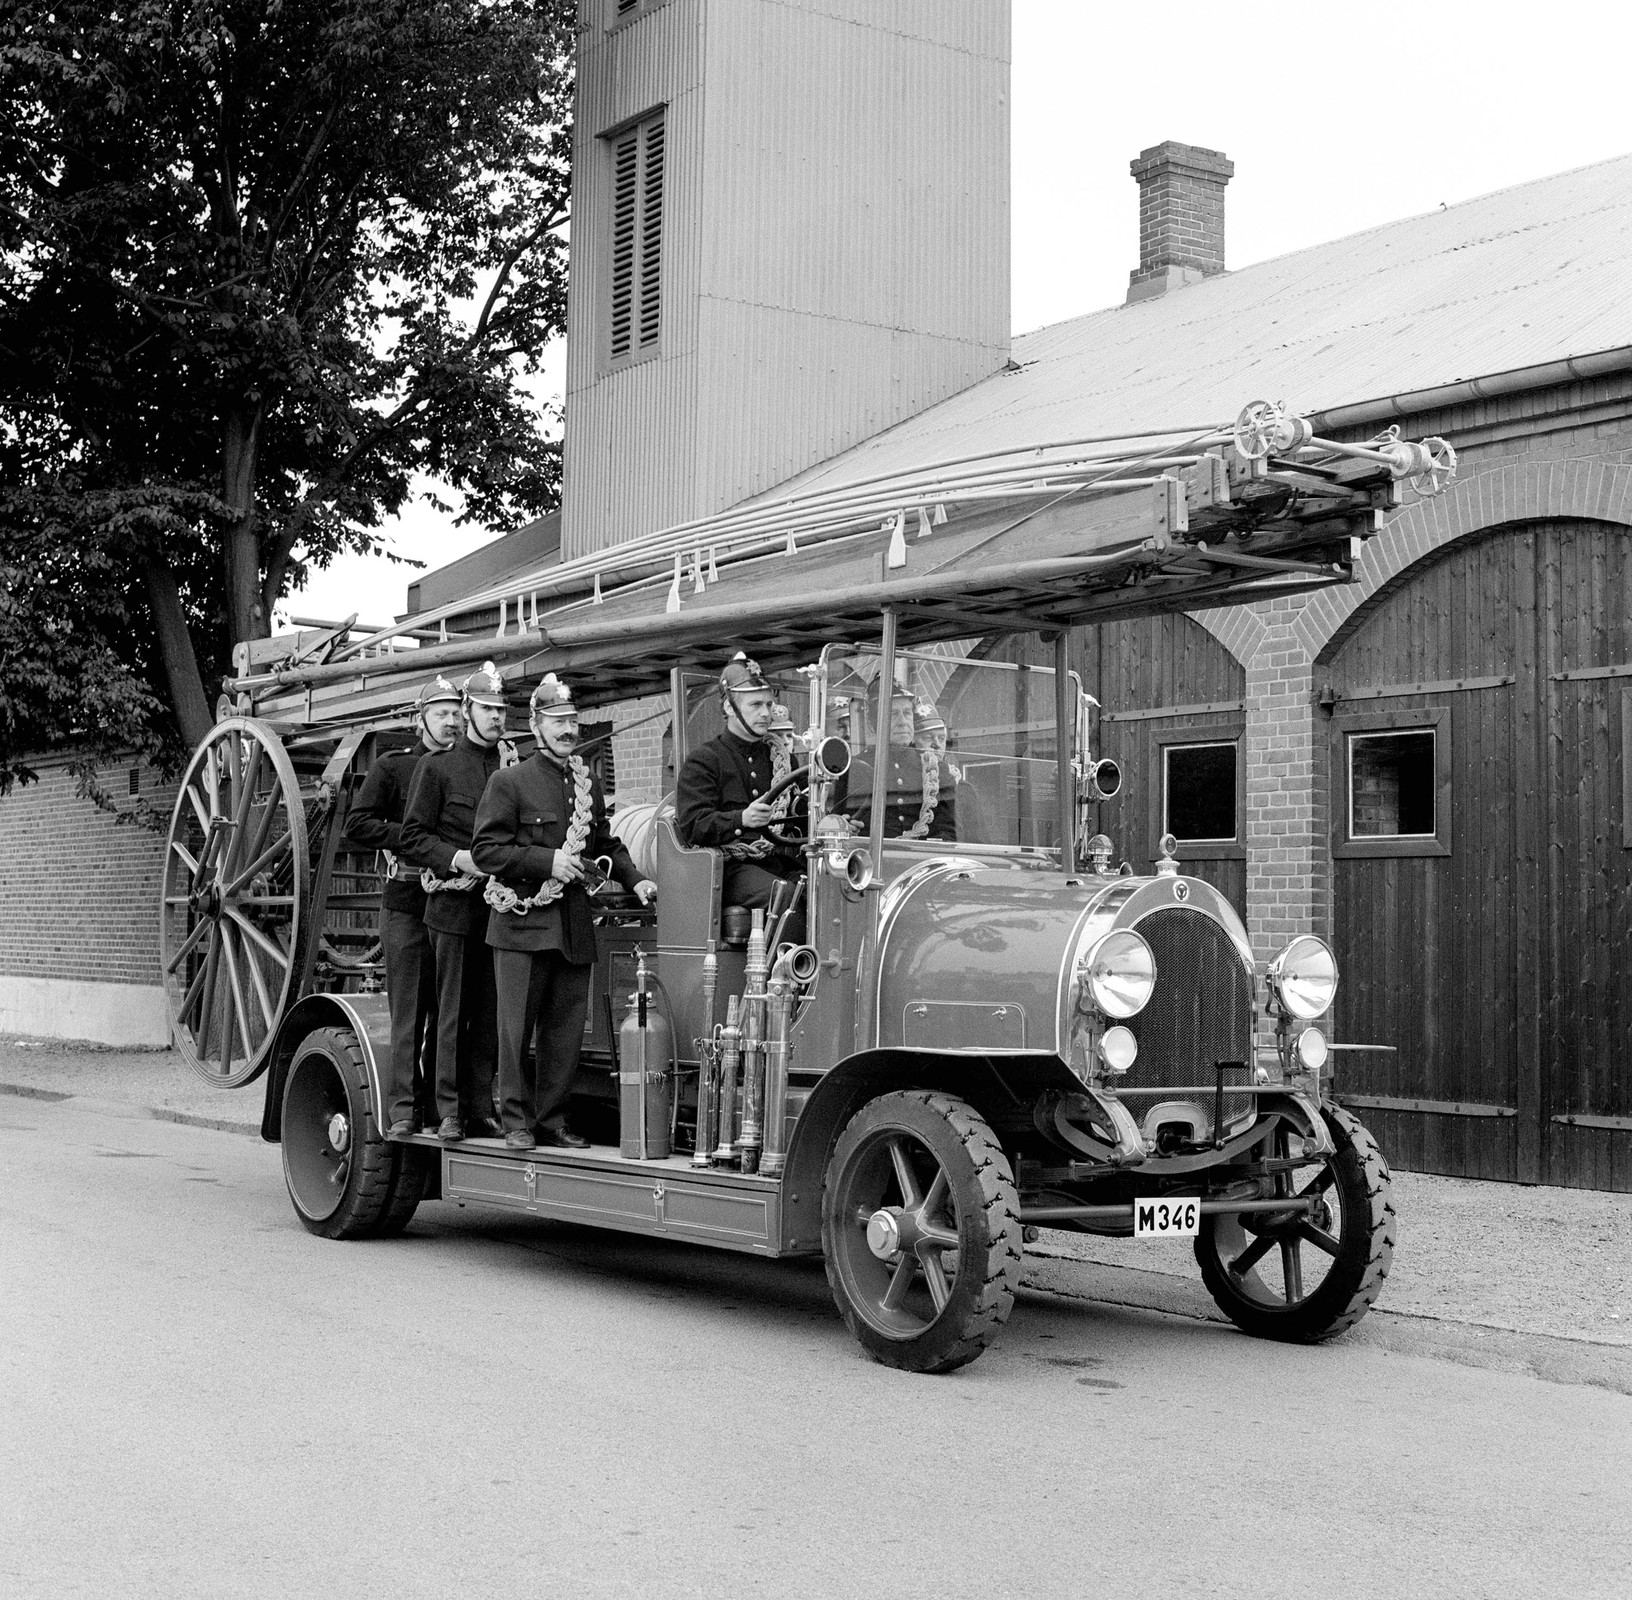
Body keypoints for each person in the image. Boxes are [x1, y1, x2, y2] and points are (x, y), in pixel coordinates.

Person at [472, 675, 656, 1150]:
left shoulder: (585, 782)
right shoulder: (508, 781)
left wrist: (636, 879)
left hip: (572, 925)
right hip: (522, 924)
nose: (567, 729)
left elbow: (605, 841)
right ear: (535, 727)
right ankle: (516, 1120)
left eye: (572, 720)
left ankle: (551, 1120)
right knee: (515, 1032)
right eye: (556, 721)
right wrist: (544, 860)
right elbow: (488, 851)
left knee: (565, 1033)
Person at [343, 675, 461, 1134]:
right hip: (408, 897)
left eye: (455, 714)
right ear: (420, 720)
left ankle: (439, 1108)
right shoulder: (393, 768)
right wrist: (415, 837)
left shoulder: (468, 768)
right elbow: (359, 824)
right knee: (409, 1010)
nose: (450, 722)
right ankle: (403, 1110)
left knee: (449, 1009)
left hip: (454, 899)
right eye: (440, 714)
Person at [400, 660, 507, 1141]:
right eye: (487, 708)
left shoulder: (512, 768)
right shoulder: (436, 767)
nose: (496, 717)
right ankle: (446, 1108)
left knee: (488, 1011)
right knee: (450, 1010)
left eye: (502, 709)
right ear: (468, 711)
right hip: (451, 907)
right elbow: (414, 838)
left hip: (500, 907)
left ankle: (479, 1104)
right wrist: (457, 858)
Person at [675, 653, 806, 945]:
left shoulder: (785, 760)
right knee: (787, 896)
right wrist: (740, 819)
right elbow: (693, 825)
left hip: (780, 863)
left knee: (830, 889)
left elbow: (803, 816)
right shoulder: (705, 761)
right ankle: (786, 980)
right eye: (756, 705)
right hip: (729, 871)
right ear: (729, 706)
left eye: (769, 704)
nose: (766, 714)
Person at [840, 685, 959, 841]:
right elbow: (839, 824)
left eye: (907, 713)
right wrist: (847, 829)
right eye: (893, 714)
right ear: (874, 723)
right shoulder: (854, 768)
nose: (903, 722)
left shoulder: (935, 770)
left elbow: (948, 833)